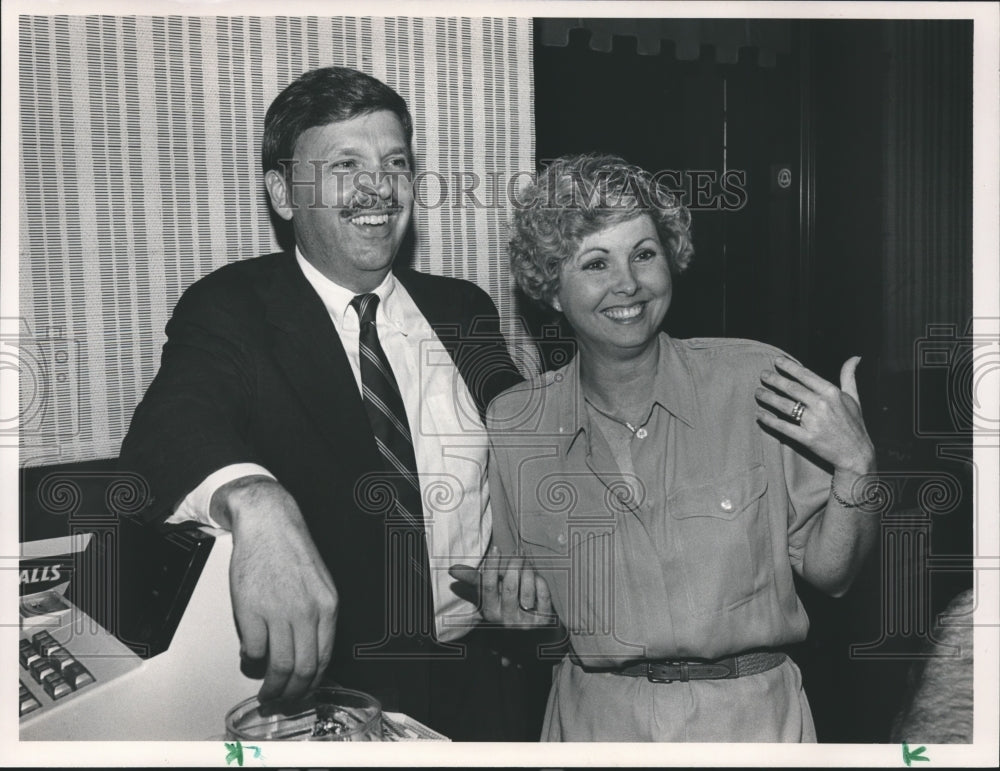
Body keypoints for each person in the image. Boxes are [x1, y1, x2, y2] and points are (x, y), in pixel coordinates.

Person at [119, 66, 548, 740]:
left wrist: (529, 551)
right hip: (335, 707)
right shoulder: (233, 307)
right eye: (346, 164)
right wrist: (259, 501)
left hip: (489, 682)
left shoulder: (463, 307)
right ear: (284, 193)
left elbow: (529, 440)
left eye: (395, 163)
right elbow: (164, 439)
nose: (379, 187)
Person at [485, 154, 880, 741]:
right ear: (550, 289)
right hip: (593, 725)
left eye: (644, 254)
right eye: (596, 263)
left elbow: (835, 574)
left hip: (753, 724)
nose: (628, 283)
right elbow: (531, 607)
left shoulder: (758, 380)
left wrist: (858, 464)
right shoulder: (517, 423)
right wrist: (512, 617)